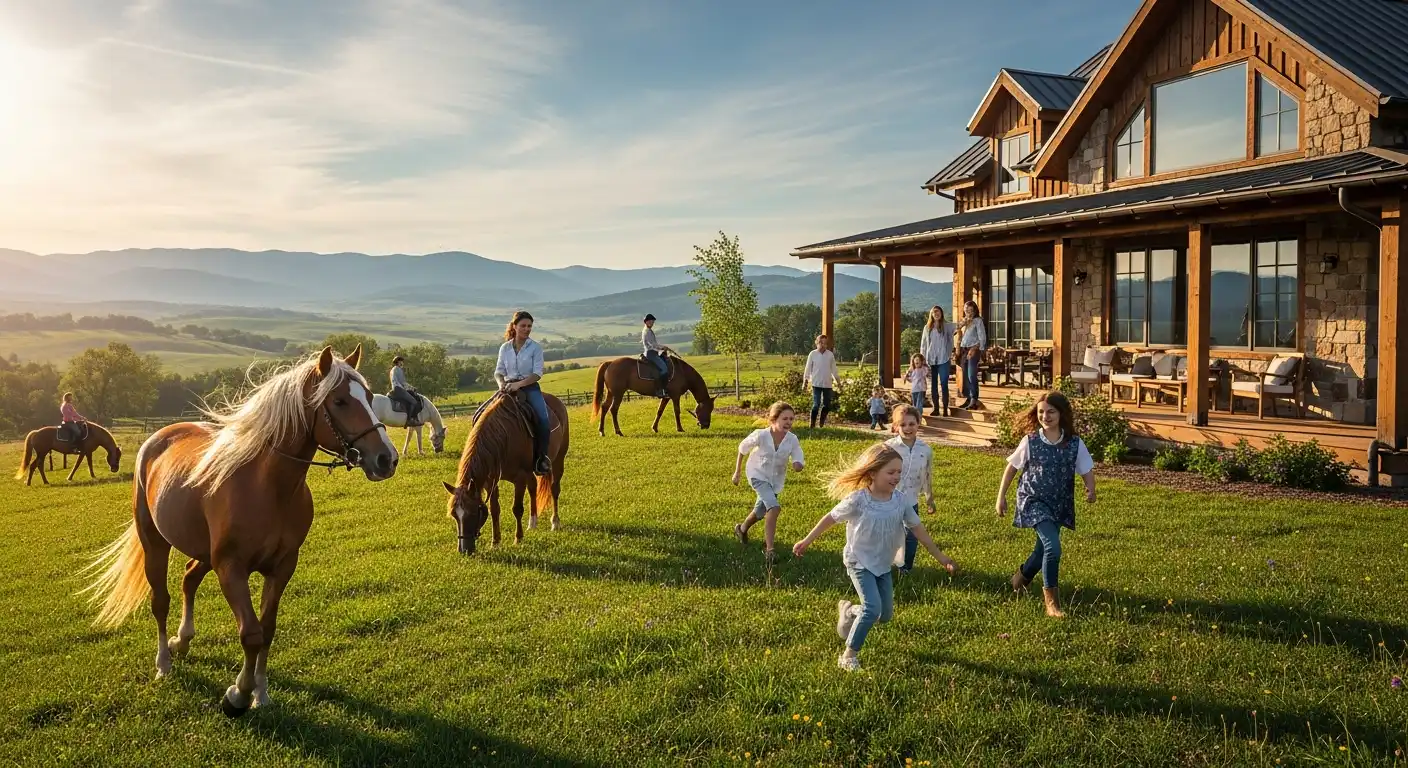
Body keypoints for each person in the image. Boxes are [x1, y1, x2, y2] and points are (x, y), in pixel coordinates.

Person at [792, 443, 957, 673]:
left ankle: (849, 612)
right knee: (872, 609)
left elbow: (918, 530)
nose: (897, 477)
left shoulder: (900, 501)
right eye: (891, 472)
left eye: (899, 472)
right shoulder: (859, 500)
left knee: (884, 615)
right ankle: (849, 656)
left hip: (883, 562)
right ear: (872, 473)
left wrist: (941, 557)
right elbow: (830, 518)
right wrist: (807, 540)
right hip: (859, 561)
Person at [995, 391, 1096, 619]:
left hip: (1059, 502)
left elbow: (1086, 468)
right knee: (1053, 547)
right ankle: (1052, 603)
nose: (1045, 416)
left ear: (1061, 414)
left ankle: (1020, 578)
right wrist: (1001, 497)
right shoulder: (1030, 441)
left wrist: (1091, 489)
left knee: (1042, 549)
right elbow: (1011, 469)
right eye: (1041, 411)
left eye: (1051, 411)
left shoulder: (1074, 443)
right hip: (1033, 500)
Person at [731, 401, 804, 561]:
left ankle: (741, 529)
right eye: (785, 419)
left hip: (775, 480)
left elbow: (797, 454)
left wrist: (798, 463)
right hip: (757, 475)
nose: (789, 422)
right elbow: (742, 448)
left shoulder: (792, 439)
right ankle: (769, 550)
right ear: (774, 419)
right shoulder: (761, 435)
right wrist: (737, 473)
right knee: (774, 508)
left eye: (792, 419)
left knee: (760, 512)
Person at [494, 310, 552, 476]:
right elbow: (498, 371)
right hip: (506, 387)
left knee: (543, 419)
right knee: (481, 414)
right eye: (523, 326)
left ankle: (541, 458)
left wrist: (519, 385)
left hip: (529, 387)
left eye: (529, 326)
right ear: (514, 326)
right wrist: (501, 384)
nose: (527, 329)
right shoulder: (504, 348)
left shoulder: (535, 348)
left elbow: (537, 374)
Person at [886, 405, 935, 575]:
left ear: (918, 424)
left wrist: (929, 498)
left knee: (912, 535)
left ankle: (905, 568)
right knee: (890, 534)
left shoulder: (925, 449)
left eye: (911, 424)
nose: (908, 428)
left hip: (911, 501)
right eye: (903, 425)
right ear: (895, 426)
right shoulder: (889, 448)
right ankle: (883, 563)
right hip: (889, 500)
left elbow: (927, 475)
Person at [919, 305, 957, 417]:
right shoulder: (927, 328)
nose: (936, 314)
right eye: (934, 312)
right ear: (931, 314)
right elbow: (923, 345)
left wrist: (968, 318)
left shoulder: (947, 326)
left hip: (943, 359)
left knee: (944, 384)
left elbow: (958, 326)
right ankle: (936, 408)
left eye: (938, 312)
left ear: (941, 313)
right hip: (931, 360)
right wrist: (922, 359)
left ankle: (945, 409)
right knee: (933, 385)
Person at [803, 334, 840, 429]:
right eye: (820, 343)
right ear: (816, 343)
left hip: (827, 384)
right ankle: (812, 424)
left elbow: (834, 370)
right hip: (816, 383)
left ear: (826, 344)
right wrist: (805, 382)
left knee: (827, 405)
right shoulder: (813, 354)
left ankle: (821, 422)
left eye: (824, 343)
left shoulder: (830, 355)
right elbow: (807, 369)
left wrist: (838, 382)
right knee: (816, 404)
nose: (822, 345)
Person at [956, 300, 988, 410]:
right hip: (964, 350)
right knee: (965, 376)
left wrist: (976, 349)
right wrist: (961, 324)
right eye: (966, 310)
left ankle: (974, 400)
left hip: (974, 349)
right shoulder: (965, 321)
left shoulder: (978, 321)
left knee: (971, 375)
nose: (968, 312)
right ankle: (969, 399)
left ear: (974, 310)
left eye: (970, 310)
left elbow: (982, 337)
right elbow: (955, 331)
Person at [641, 314, 672, 398]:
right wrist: (663, 347)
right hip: (651, 353)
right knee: (664, 369)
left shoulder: (648, 330)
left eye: (653, 321)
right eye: (650, 321)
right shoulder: (647, 331)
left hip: (652, 352)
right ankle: (660, 390)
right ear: (646, 322)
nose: (652, 323)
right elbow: (653, 344)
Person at [388, 355, 422, 424]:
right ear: (398, 362)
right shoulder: (398, 369)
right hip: (399, 389)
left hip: (395, 389)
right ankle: (410, 420)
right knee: (414, 401)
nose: (402, 363)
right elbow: (403, 383)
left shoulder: (392, 370)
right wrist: (412, 388)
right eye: (401, 361)